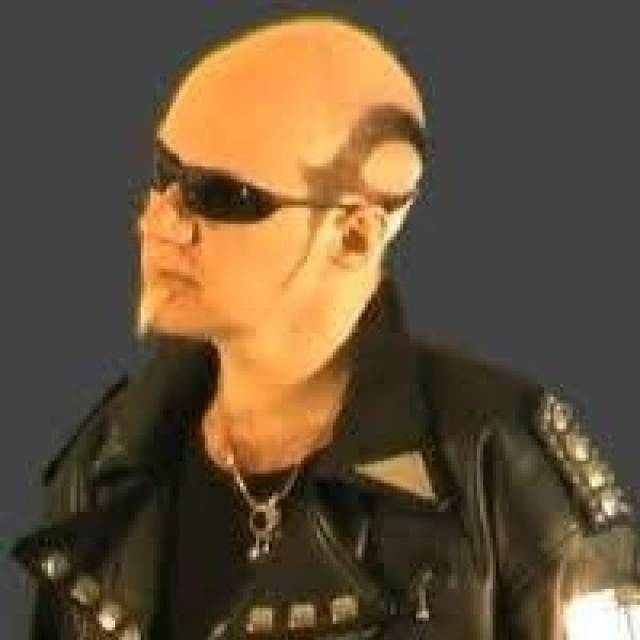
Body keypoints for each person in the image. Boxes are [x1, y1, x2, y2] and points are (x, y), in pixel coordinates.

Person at [13, 14, 640, 640]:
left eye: (221, 195)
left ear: (355, 234)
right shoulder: (112, 464)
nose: (159, 222)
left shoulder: (499, 465)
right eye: (165, 174)